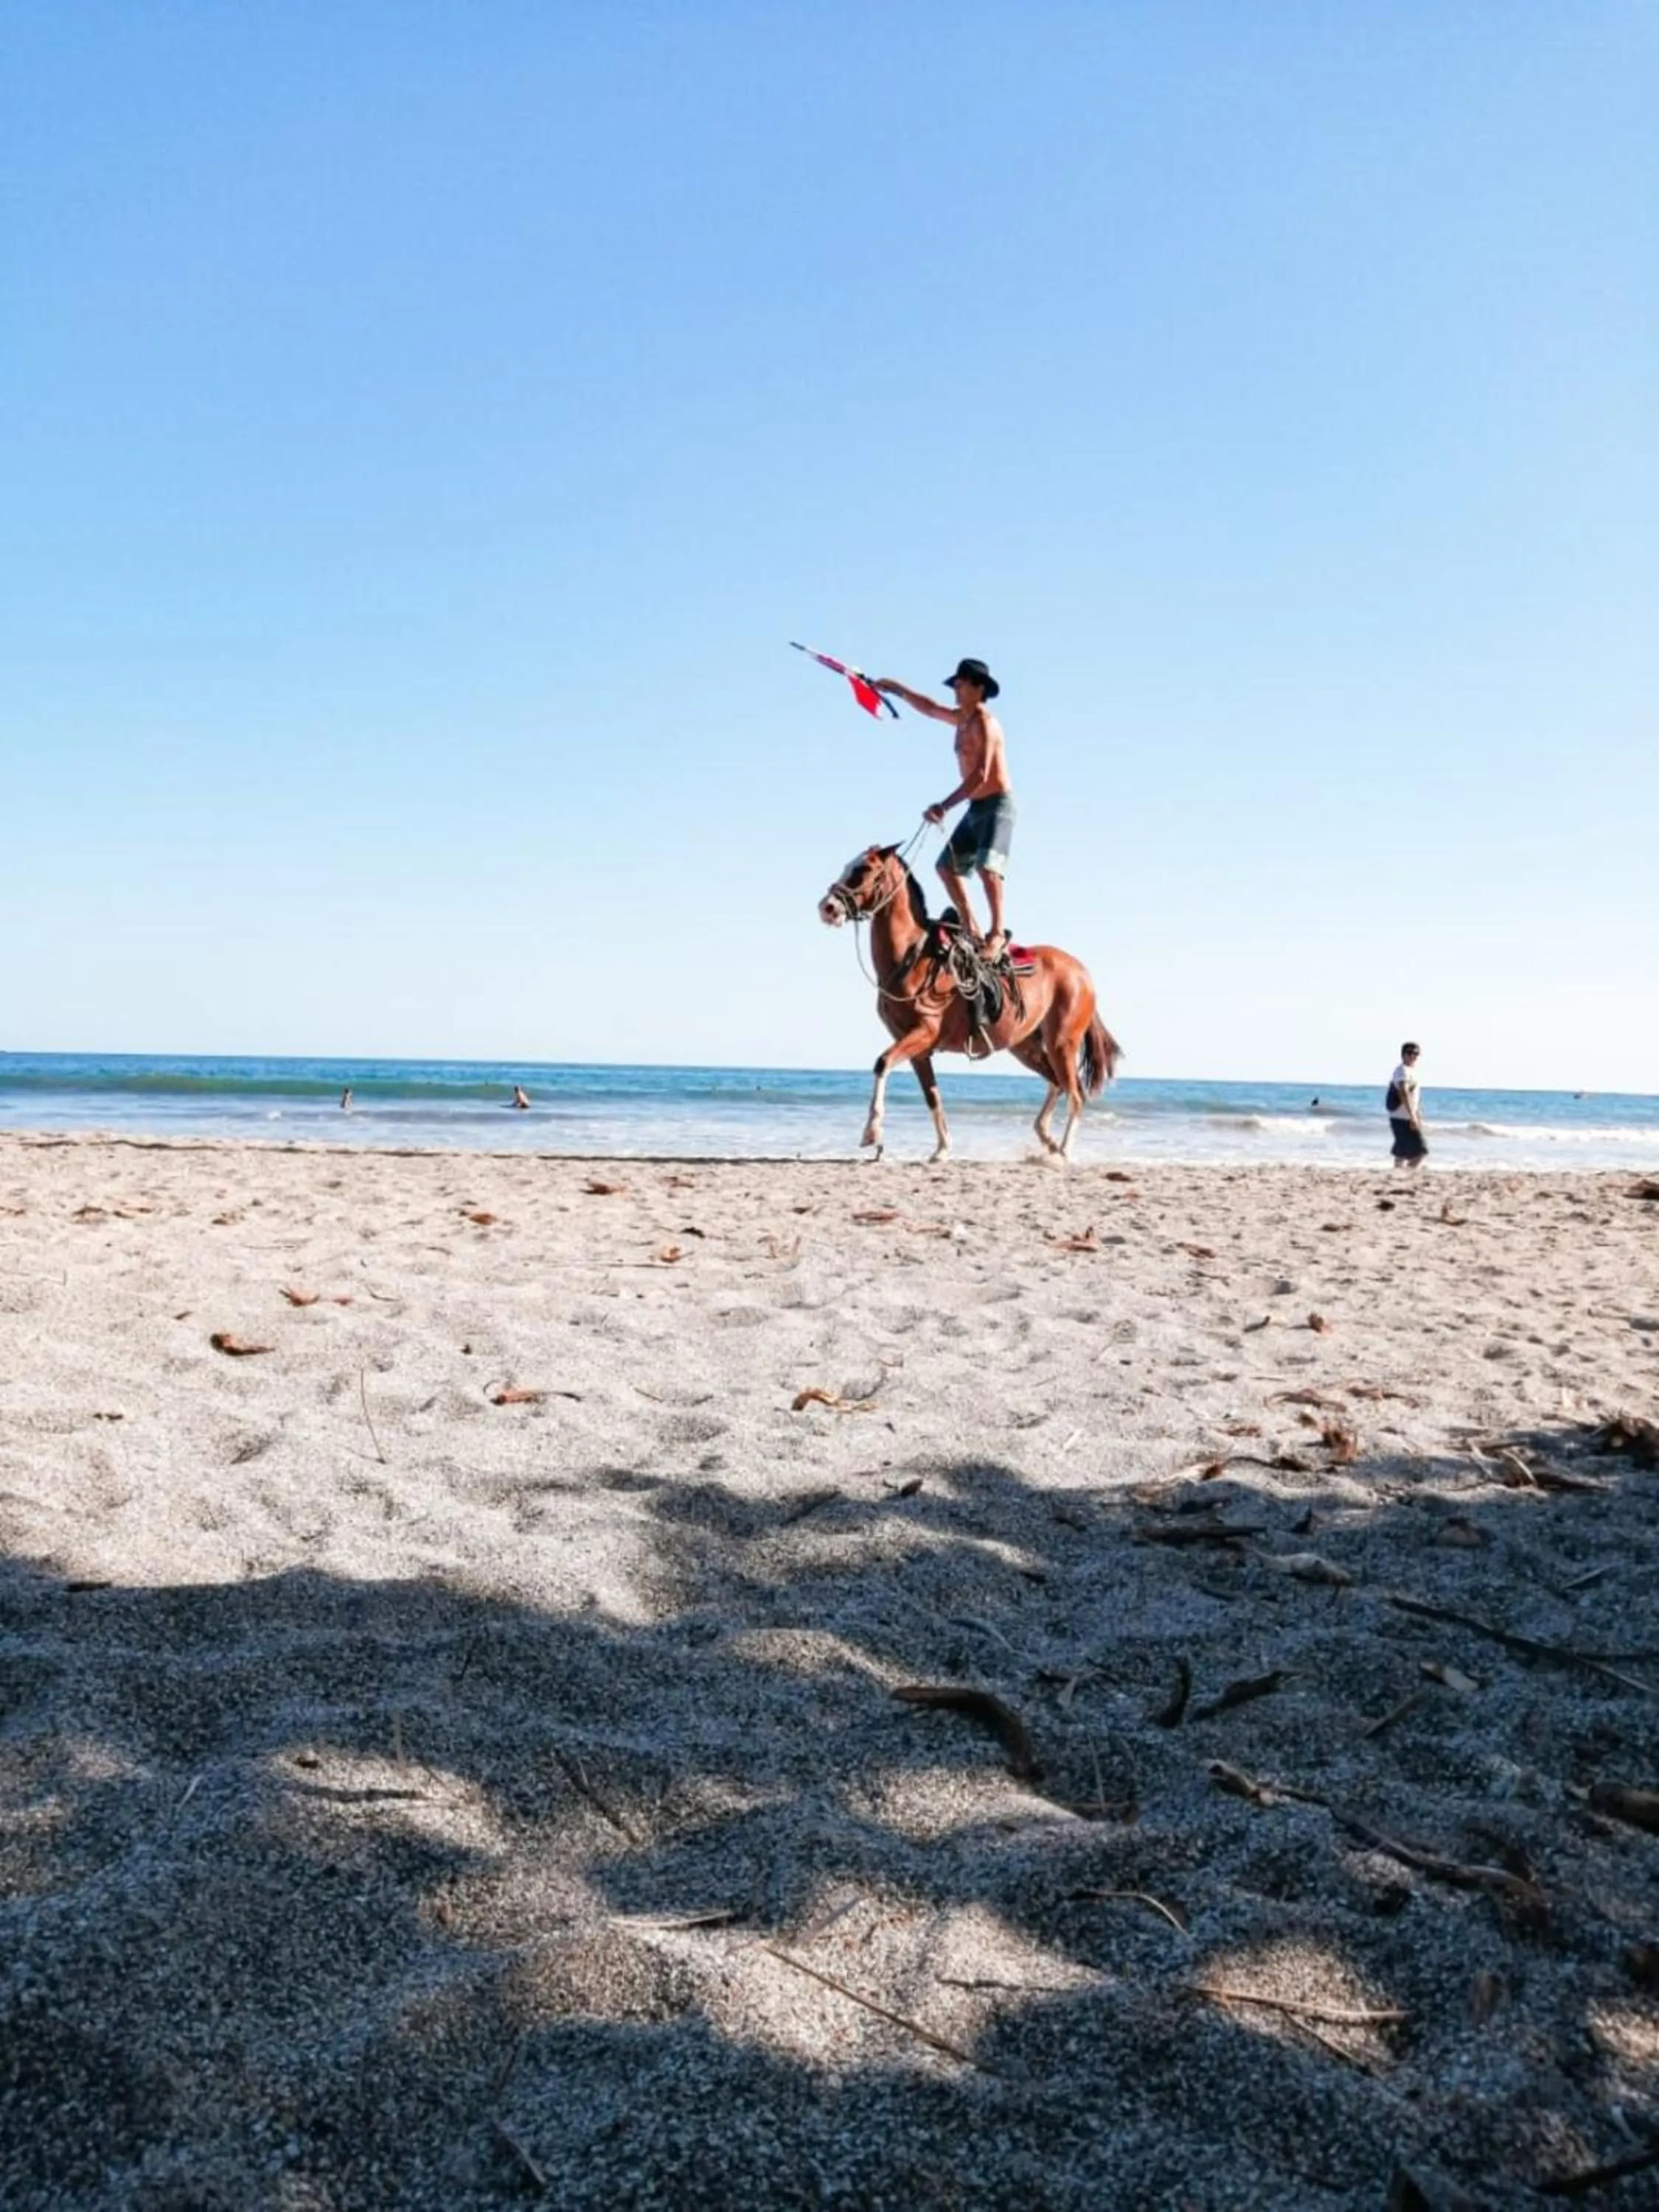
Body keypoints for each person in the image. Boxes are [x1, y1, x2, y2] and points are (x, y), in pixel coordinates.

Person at [874, 657, 1015, 957]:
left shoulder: (985, 725)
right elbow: (929, 708)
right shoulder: (960, 719)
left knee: (987, 867)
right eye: (957, 684)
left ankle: (997, 932)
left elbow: (981, 775)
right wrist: (897, 689)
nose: (957, 689)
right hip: (976, 806)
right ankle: (971, 927)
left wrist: (944, 806)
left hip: (997, 805)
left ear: (979, 689)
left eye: (962, 684)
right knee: (945, 867)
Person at [1387, 1042, 1427, 1167]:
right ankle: (1407, 1174)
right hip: (1401, 1117)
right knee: (1421, 1151)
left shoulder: (1412, 1071)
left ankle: (1399, 1174)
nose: (1413, 1056)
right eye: (1409, 1053)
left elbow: (1414, 1097)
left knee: (1402, 1152)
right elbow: (1404, 1092)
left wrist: (1417, 1113)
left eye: (1416, 1053)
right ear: (1403, 1055)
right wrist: (1412, 1116)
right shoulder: (1402, 1071)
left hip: (1405, 1117)